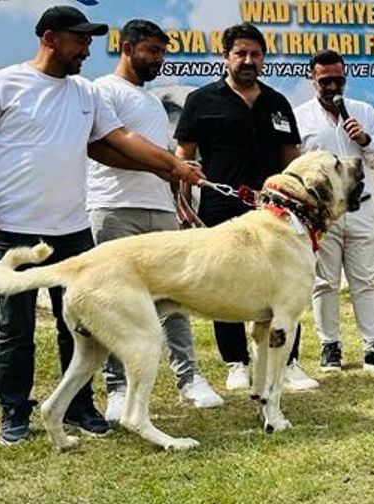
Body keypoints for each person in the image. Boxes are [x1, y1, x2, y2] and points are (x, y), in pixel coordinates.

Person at [0, 5, 204, 445]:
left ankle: (78, 406)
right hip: (11, 226)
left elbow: (114, 143)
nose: (87, 50)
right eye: (80, 40)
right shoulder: (6, 83)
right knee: (15, 328)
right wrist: (171, 166)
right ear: (50, 38)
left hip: (72, 229)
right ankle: (14, 410)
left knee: (81, 325)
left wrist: (170, 167)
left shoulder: (84, 93)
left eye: (90, 41)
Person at [87, 19, 224, 422]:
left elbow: (157, 158)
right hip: (114, 207)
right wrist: (173, 166)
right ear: (127, 49)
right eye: (152, 51)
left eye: (162, 52)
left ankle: (189, 378)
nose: (158, 60)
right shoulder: (102, 91)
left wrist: (176, 187)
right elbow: (112, 145)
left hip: (160, 210)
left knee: (175, 298)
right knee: (114, 303)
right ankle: (116, 388)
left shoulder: (150, 101)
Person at [174, 22, 318, 391]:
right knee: (226, 284)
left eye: (255, 54)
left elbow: (293, 162)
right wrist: (182, 207)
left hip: (274, 217)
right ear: (225, 57)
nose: (248, 60)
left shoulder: (277, 103)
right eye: (240, 53)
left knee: (284, 287)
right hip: (221, 210)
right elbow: (182, 160)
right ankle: (236, 362)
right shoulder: (201, 101)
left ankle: (288, 364)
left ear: (263, 59)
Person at [293, 50, 374, 376]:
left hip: (361, 206)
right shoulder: (301, 117)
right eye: (325, 81)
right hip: (323, 212)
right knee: (324, 282)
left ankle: (373, 347)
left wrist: (365, 138)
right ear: (312, 78)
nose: (332, 87)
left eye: (338, 80)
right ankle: (330, 347)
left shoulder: (364, 112)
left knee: (365, 281)